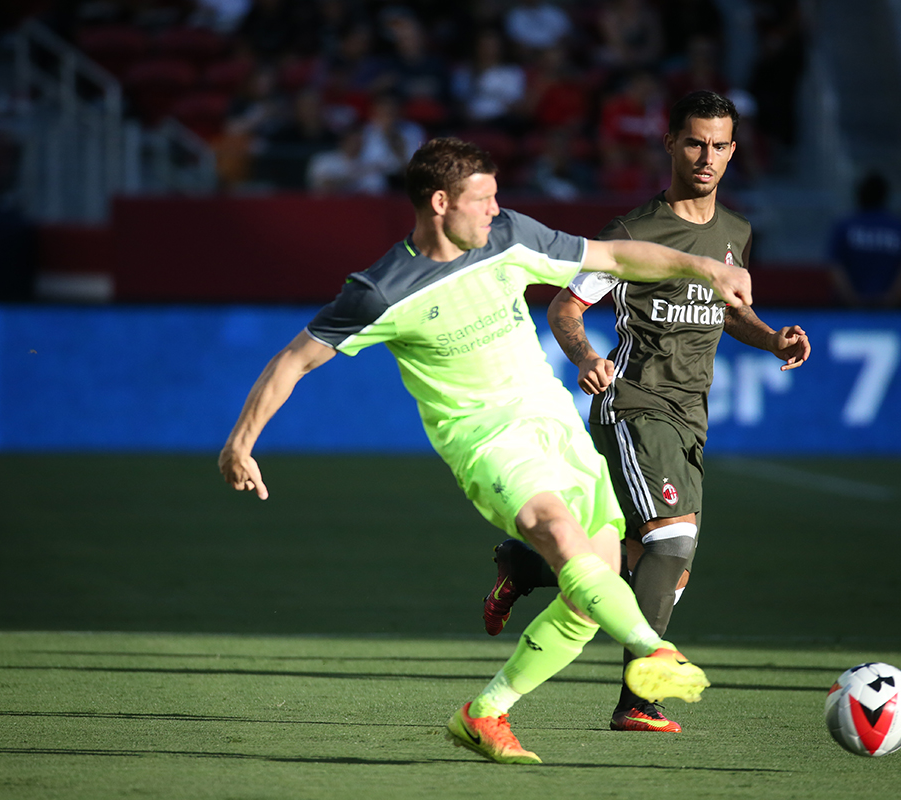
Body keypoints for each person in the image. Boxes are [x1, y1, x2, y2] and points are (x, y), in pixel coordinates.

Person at [219, 136, 757, 764]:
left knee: (597, 586)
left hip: (554, 424)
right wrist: (240, 443)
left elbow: (611, 254)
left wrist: (707, 269)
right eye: (484, 200)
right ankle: (653, 652)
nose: (495, 210)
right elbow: (294, 360)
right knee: (557, 532)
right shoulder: (381, 290)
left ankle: (485, 712)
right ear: (440, 203)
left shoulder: (509, 238)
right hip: (487, 441)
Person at [480, 91, 811, 733]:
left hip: (691, 415)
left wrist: (770, 337)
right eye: (694, 142)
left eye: (719, 145)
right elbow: (565, 307)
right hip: (634, 404)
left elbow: (728, 310)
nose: (706, 156)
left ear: (733, 151)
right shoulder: (634, 233)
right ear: (669, 144)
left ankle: (522, 566)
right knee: (674, 539)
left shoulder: (736, 234)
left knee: (638, 558)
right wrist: (585, 357)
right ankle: (639, 698)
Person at [827, 171, 901, 309]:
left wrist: (851, 299)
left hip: (850, 310)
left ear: (859, 194)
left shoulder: (846, 226)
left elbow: (835, 267)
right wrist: (892, 298)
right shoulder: (900, 228)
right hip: (889, 310)